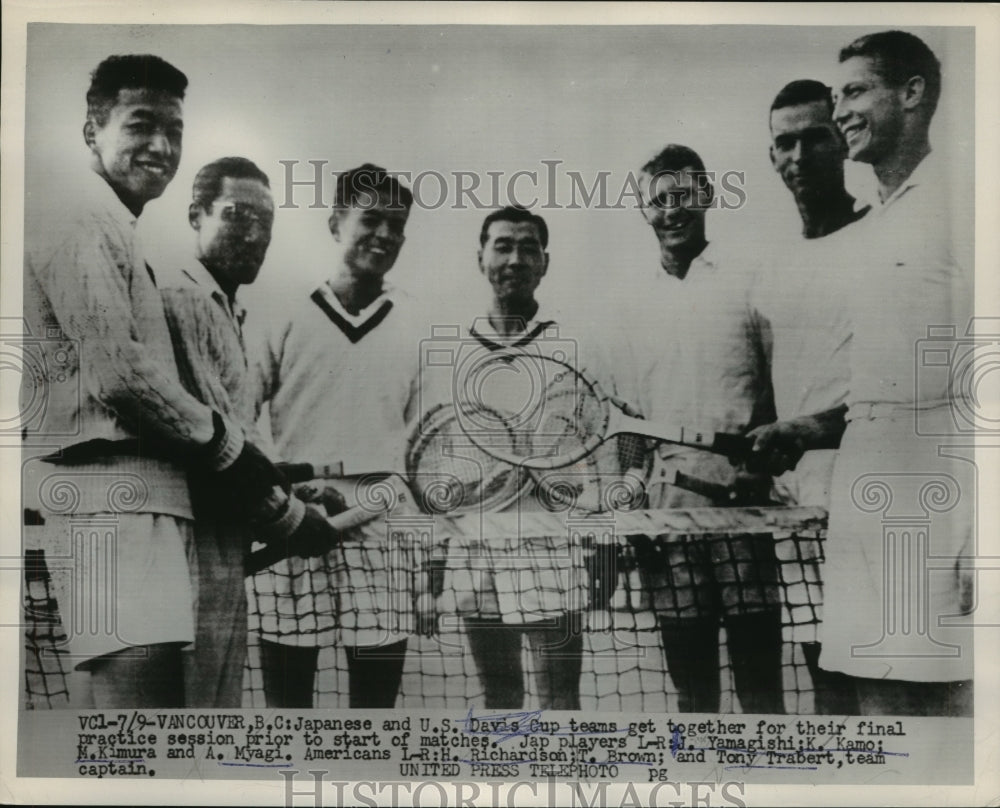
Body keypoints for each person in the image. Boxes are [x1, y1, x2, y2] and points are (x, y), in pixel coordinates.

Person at [21, 55, 299, 708]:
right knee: (141, 739)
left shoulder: (111, 223)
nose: (161, 146)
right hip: (110, 498)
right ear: (93, 130)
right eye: (141, 124)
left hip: (128, 500)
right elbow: (119, 373)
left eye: (174, 130)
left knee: (134, 736)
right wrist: (230, 448)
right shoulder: (76, 212)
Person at [752, 31, 974, 716]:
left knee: (938, 712)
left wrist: (980, 536)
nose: (840, 109)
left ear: (911, 94)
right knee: (871, 702)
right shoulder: (882, 220)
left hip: (931, 499)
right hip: (863, 490)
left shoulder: (962, 205)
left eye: (855, 92)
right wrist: (810, 426)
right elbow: (881, 385)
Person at [423, 205, 638, 710]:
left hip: (552, 550)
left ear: (545, 262)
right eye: (502, 245)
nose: (515, 258)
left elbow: (617, 447)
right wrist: (433, 564)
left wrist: (606, 539)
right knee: (500, 697)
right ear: (480, 258)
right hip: (476, 551)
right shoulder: (453, 353)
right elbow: (436, 466)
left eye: (527, 247)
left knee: (561, 701)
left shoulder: (576, 350)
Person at [160, 157, 337, 707]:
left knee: (217, 710)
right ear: (196, 215)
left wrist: (288, 488)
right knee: (197, 721)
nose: (255, 234)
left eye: (266, 221)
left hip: (220, 548)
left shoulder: (226, 307)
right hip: (188, 548)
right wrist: (290, 518)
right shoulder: (183, 296)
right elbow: (208, 448)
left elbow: (233, 439)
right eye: (237, 216)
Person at [249, 164, 425, 709]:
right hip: (291, 524)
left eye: (397, 224)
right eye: (371, 219)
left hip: (380, 533)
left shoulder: (417, 323)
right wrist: (285, 503)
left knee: (373, 716)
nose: (385, 235)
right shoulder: (281, 311)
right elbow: (242, 421)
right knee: (289, 709)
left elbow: (422, 455)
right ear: (335, 223)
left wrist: (359, 505)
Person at [629, 144, 784, 714]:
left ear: (708, 197)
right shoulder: (633, 301)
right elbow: (628, 417)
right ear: (644, 209)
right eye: (659, 201)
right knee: (693, 693)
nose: (672, 211)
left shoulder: (749, 280)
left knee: (761, 687)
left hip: (743, 507)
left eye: (684, 197)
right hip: (666, 515)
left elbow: (776, 382)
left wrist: (756, 467)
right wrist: (632, 504)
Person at [746, 79, 868, 715]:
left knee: (877, 684)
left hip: (870, 496)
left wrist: (804, 431)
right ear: (771, 156)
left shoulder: (886, 241)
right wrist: (768, 441)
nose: (799, 156)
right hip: (796, 504)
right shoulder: (772, 264)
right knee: (823, 674)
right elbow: (775, 377)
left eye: (815, 139)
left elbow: (908, 390)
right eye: (784, 143)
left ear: (842, 140)